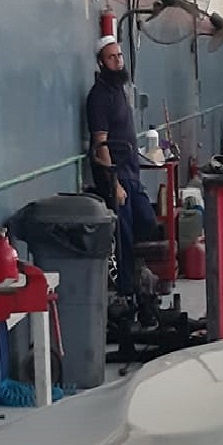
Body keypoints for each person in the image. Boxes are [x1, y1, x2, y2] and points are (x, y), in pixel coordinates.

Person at [86, 35, 158, 296]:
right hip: (116, 176)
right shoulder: (99, 97)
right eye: (111, 57)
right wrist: (113, 183)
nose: (117, 61)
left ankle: (137, 272)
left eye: (119, 55)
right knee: (124, 237)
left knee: (148, 220)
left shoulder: (119, 90)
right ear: (101, 63)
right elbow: (100, 144)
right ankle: (127, 292)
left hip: (131, 173)